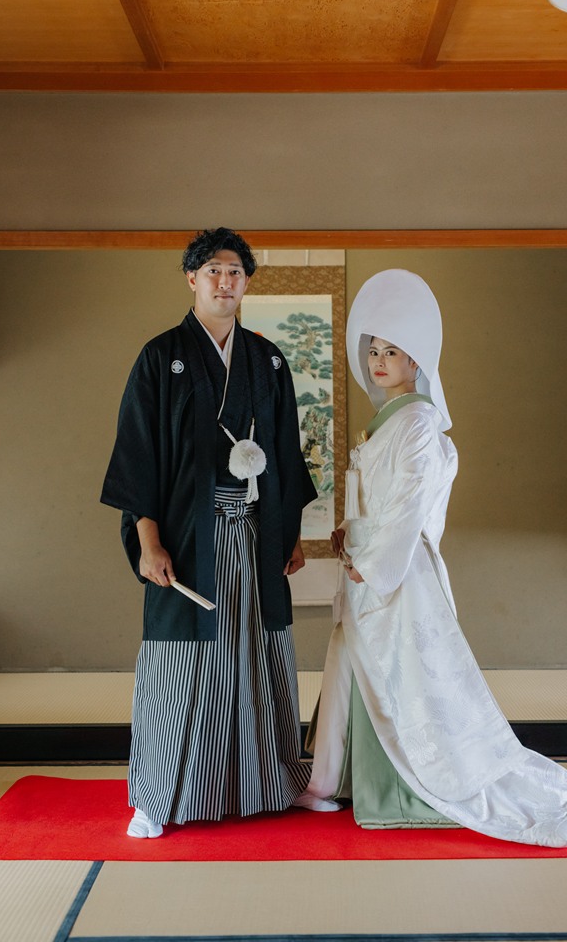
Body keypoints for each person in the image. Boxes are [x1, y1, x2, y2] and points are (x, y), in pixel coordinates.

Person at [305, 269, 567, 847]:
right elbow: (377, 501)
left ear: (416, 361)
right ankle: (330, 780)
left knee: (403, 687)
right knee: (355, 668)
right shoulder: (392, 420)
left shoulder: (416, 422)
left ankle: (396, 790)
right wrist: (346, 533)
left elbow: (408, 507)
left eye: (392, 352)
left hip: (397, 577)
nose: (380, 361)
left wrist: (373, 562)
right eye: (374, 351)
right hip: (369, 567)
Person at [101, 227, 323, 838]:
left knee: (256, 654)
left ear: (246, 282)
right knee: (182, 664)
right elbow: (138, 455)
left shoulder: (267, 360)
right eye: (213, 272)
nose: (225, 282)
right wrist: (148, 541)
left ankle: (273, 781)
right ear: (192, 279)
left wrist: (289, 534)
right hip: (187, 536)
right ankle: (157, 797)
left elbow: (285, 451)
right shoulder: (161, 357)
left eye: (235, 273)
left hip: (254, 533)